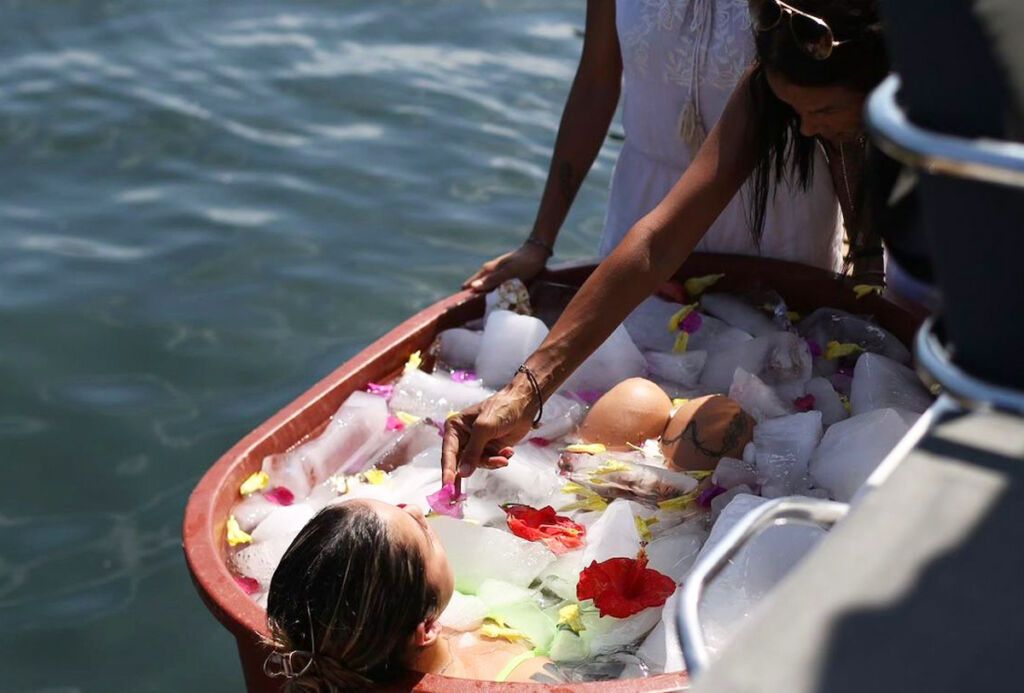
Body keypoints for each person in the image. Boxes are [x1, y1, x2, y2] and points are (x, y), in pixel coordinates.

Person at [443, 0, 890, 483]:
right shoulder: (769, 98)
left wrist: (869, 263)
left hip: (792, 220)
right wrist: (526, 389)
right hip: (663, 201)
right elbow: (656, 243)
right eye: (798, 111)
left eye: (822, 110)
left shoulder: (942, 101)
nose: (807, 129)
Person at [463, 0, 845, 295]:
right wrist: (539, 241)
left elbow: (847, 93)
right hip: (644, 204)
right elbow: (596, 83)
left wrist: (865, 257)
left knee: (784, 373)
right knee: (622, 369)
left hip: (780, 210)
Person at [264, 500, 554, 690]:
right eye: (424, 535)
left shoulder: (340, 650)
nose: (417, 510)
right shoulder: (523, 677)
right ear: (426, 629)